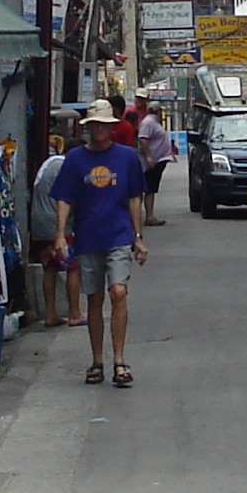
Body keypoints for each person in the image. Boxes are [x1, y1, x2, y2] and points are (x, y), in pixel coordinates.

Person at [54, 103, 147, 385]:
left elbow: (134, 198)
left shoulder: (127, 157)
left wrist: (138, 237)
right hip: (88, 237)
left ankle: (119, 360)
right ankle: (97, 360)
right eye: (94, 125)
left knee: (118, 292)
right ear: (88, 127)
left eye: (104, 125)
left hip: (118, 235)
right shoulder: (75, 159)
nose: (99, 129)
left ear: (111, 127)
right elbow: (64, 198)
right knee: (94, 299)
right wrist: (60, 235)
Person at [29, 120, 77, 327]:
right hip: (56, 225)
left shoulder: (48, 163)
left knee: (50, 267)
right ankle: (75, 313)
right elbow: (68, 199)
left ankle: (51, 314)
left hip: (38, 224)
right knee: (73, 267)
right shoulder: (66, 168)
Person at [134, 102, 178, 228]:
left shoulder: (154, 122)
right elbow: (142, 138)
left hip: (158, 160)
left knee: (151, 189)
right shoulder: (148, 122)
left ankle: (149, 215)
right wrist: (149, 157)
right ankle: (147, 216)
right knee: (148, 189)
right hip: (151, 162)